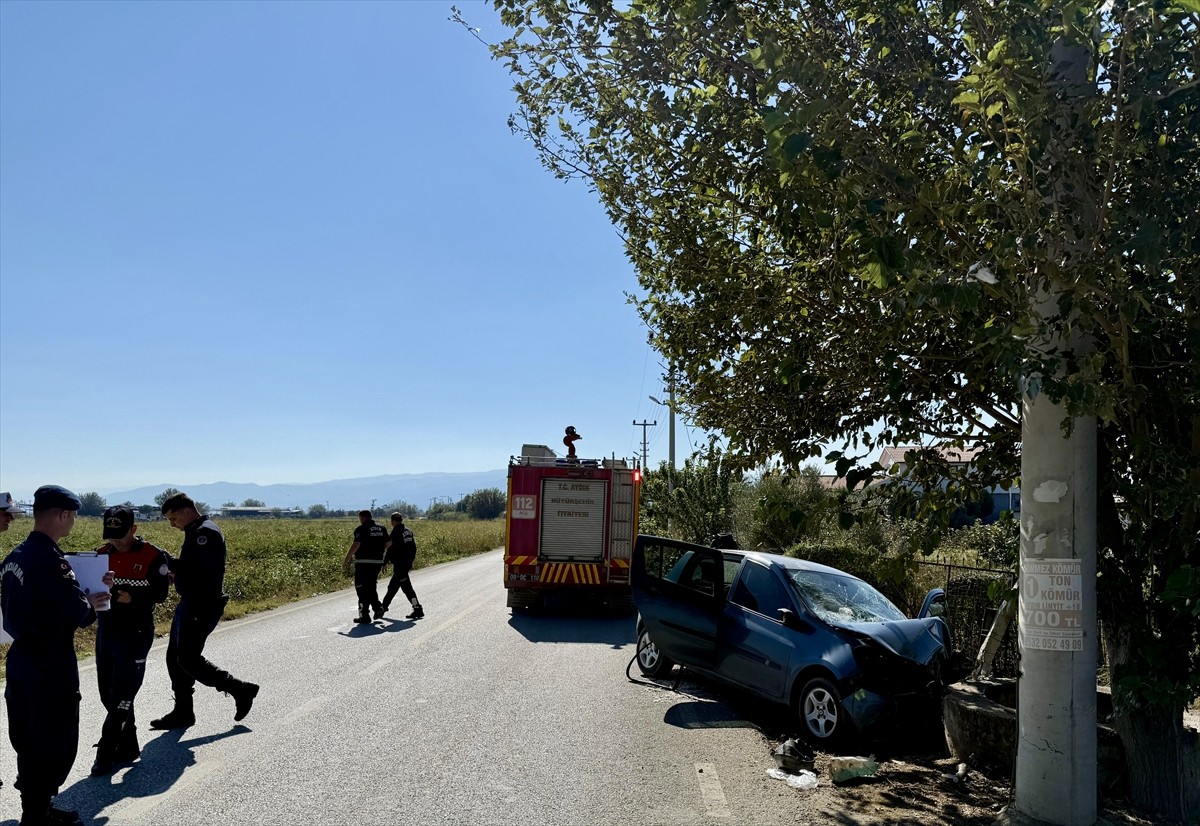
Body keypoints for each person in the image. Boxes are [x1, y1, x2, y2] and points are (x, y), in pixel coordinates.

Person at [1, 485, 111, 826]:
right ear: (62, 515)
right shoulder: (52, 560)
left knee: (27, 735)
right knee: (55, 737)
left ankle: (33, 810)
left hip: (20, 659)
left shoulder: (14, 557)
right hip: (50, 662)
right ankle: (38, 813)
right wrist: (93, 600)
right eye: (73, 516)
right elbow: (79, 614)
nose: (73, 522)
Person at [150, 493, 258, 730]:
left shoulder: (204, 533)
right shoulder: (196, 531)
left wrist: (168, 562)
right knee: (175, 659)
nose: (172, 524)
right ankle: (183, 712)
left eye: (173, 517)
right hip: (190, 602)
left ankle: (239, 689)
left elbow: (200, 572)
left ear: (187, 510)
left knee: (187, 658)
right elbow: (194, 569)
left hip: (201, 604)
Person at [88, 505, 172, 775]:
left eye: (120, 535)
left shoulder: (152, 555)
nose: (114, 540)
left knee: (124, 691)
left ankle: (106, 750)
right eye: (110, 534)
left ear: (134, 529)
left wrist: (132, 598)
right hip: (108, 628)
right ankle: (129, 744)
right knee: (107, 693)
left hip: (136, 630)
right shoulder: (100, 556)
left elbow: (160, 594)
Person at [343, 510, 388, 623]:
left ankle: (365, 614)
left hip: (364, 562)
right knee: (371, 586)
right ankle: (377, 609)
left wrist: (347, 559)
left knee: (361, 587)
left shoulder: (361, 529)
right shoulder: (381, 528)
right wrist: (379, 550)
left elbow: (356, 545)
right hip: (377, 562)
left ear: (362, 517)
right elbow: (389, 543)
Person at [381, 513, 423, 620]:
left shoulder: (396, 532)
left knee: (407, 588)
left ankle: (417, 608)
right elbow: (413, 547)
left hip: (400, 564)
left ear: (393, 521)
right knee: (393, 586)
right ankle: (383, 607)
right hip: (407, 563)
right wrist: (411, 561)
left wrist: (384, 562)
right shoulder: (408, 531)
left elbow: (390, 549)